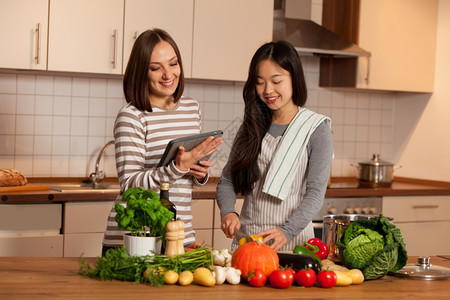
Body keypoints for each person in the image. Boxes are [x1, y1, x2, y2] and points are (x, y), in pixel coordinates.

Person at [102, 28, 222, 255]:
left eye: (173, 63)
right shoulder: (132, 115)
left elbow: (184, 177)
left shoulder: (191, 107)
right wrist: (178, 167)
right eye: (156, 68)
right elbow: (129, 185)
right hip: (136, 238)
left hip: (180, 234)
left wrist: (199, 172)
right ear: (141, 72)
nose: (168, 75)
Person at [216, 40, 333, 252]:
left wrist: (286, 231)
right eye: (260, 82)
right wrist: (228, 211)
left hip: (294, 243)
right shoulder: (250, 126)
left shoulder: (316, 128)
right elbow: (226, 181)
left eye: (276, 81)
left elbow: (315, 194)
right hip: (249, 241)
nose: (268, 90)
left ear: (294, 78)